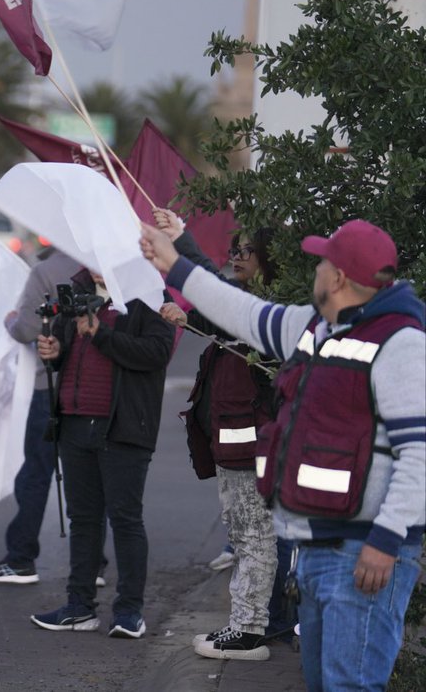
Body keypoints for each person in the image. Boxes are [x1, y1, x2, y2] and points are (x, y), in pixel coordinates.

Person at [140, 219, 425, 690]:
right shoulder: (313, 326)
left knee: (348, 686)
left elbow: (419, 454)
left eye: (322, 262)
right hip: (317, 551)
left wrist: (386, 542)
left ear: (338, 278)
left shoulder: (401, 345)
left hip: (363, 556)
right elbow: (239, 309)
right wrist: (173, 261)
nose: (314, 269)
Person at [153, 211, 287, 661]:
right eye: (235, 249)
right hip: (234, 439)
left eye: (245, 250)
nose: (236, 255)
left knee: (253, 535)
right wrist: (188, 316)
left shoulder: (267, 309)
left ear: (268, 259)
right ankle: (246, 624)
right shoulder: (252, 304)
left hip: (251, 442)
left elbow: (222, 300)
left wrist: (182, 242)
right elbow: (219, 313)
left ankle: (248, 631)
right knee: (245, 532)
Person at [29, 267, 175, 639]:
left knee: (125, 519)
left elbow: (157, 353)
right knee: (83, 519)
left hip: (123, 427)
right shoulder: (77, 293)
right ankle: (79, 607)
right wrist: (55, 352)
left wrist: (102, 334)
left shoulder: (148, 295)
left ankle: (129, 611)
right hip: (75, 422)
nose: (92, 261)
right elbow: (66, 351)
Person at [0, 249, 109, 588]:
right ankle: (94, 562)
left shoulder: (46, 271)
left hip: (47, 384)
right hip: (95, 388)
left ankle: (21, 558)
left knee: (35, 472)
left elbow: (27, 329)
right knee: (88, 479)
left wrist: (10, 321)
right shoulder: (108, 266)